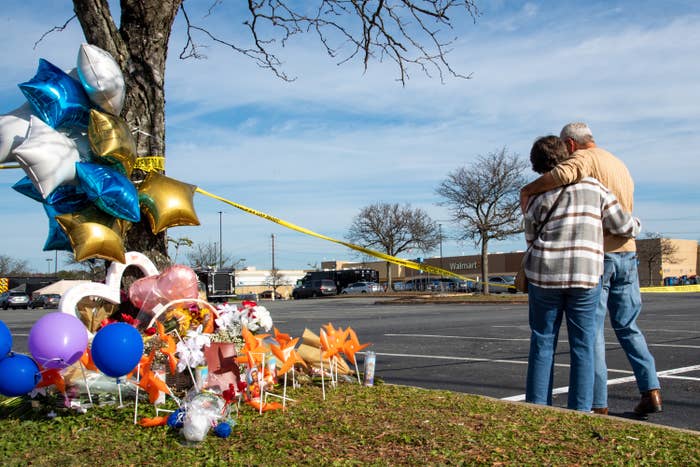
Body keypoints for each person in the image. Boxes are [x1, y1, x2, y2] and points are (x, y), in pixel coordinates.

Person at [521, 123, 661, 415]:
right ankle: (585, 410)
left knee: (543, 340)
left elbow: (531, 235)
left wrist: (530, 190)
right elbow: (621, 223)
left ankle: (538, 408)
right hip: (591, 270)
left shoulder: (540, 193)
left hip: (547, 275)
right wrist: (636, 225)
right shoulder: (603, 178)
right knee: (590, 340)